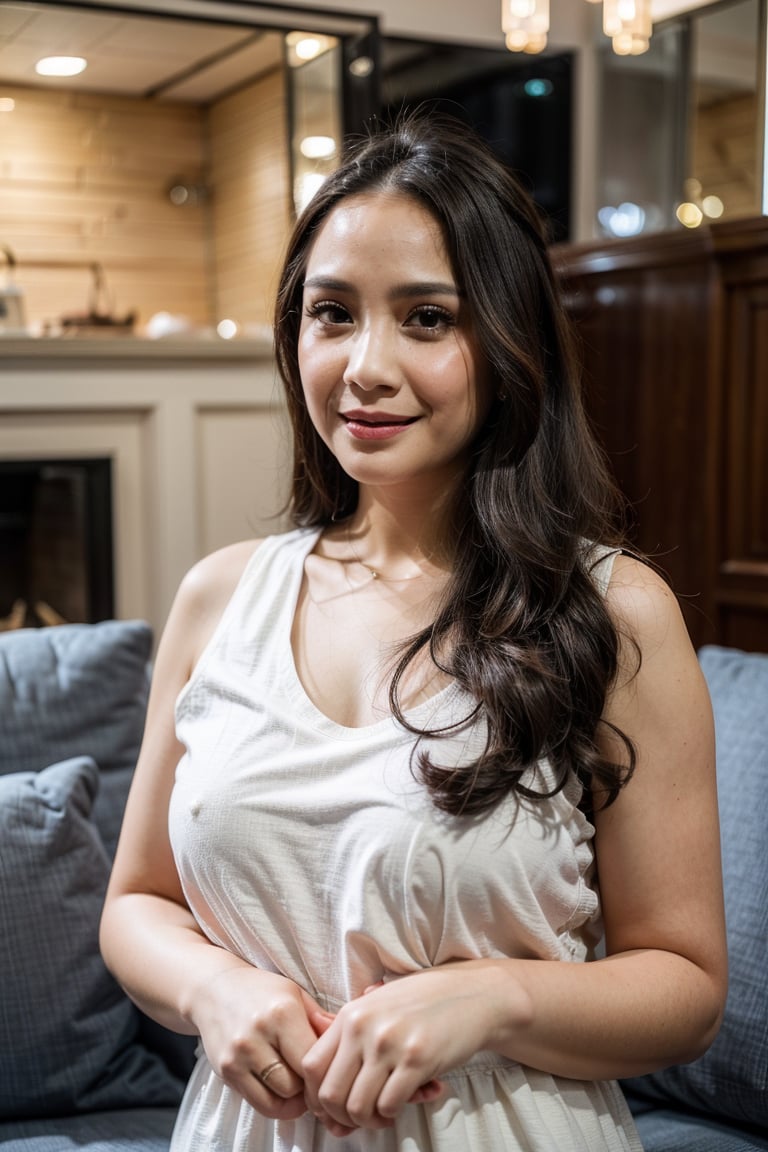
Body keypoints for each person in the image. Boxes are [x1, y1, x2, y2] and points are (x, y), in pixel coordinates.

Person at [100, 111, 727, 1151]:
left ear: (511, 338)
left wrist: (493, 998)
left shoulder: (614, 613)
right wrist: (213, 987)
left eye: (427, 318)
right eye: (332, 313)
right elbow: (136, 907)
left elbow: (688, 985)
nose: (364, 367)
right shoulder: (220, 598)